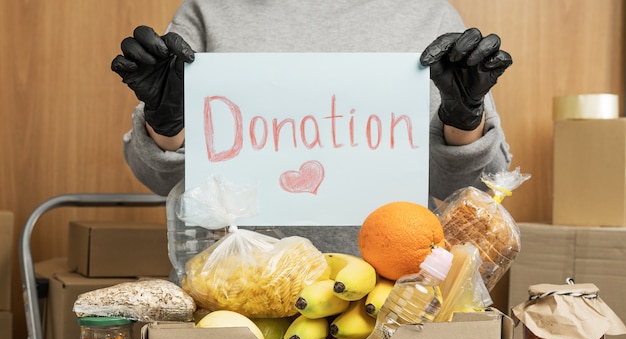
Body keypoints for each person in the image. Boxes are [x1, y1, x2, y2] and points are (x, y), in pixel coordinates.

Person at [112, 0, 513, 255]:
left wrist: (463, 119)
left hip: (397, 299)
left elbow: (475, 192)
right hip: (232, 294)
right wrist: (166, 123)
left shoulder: (430, 13)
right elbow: (161, 181)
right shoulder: (208, 10)